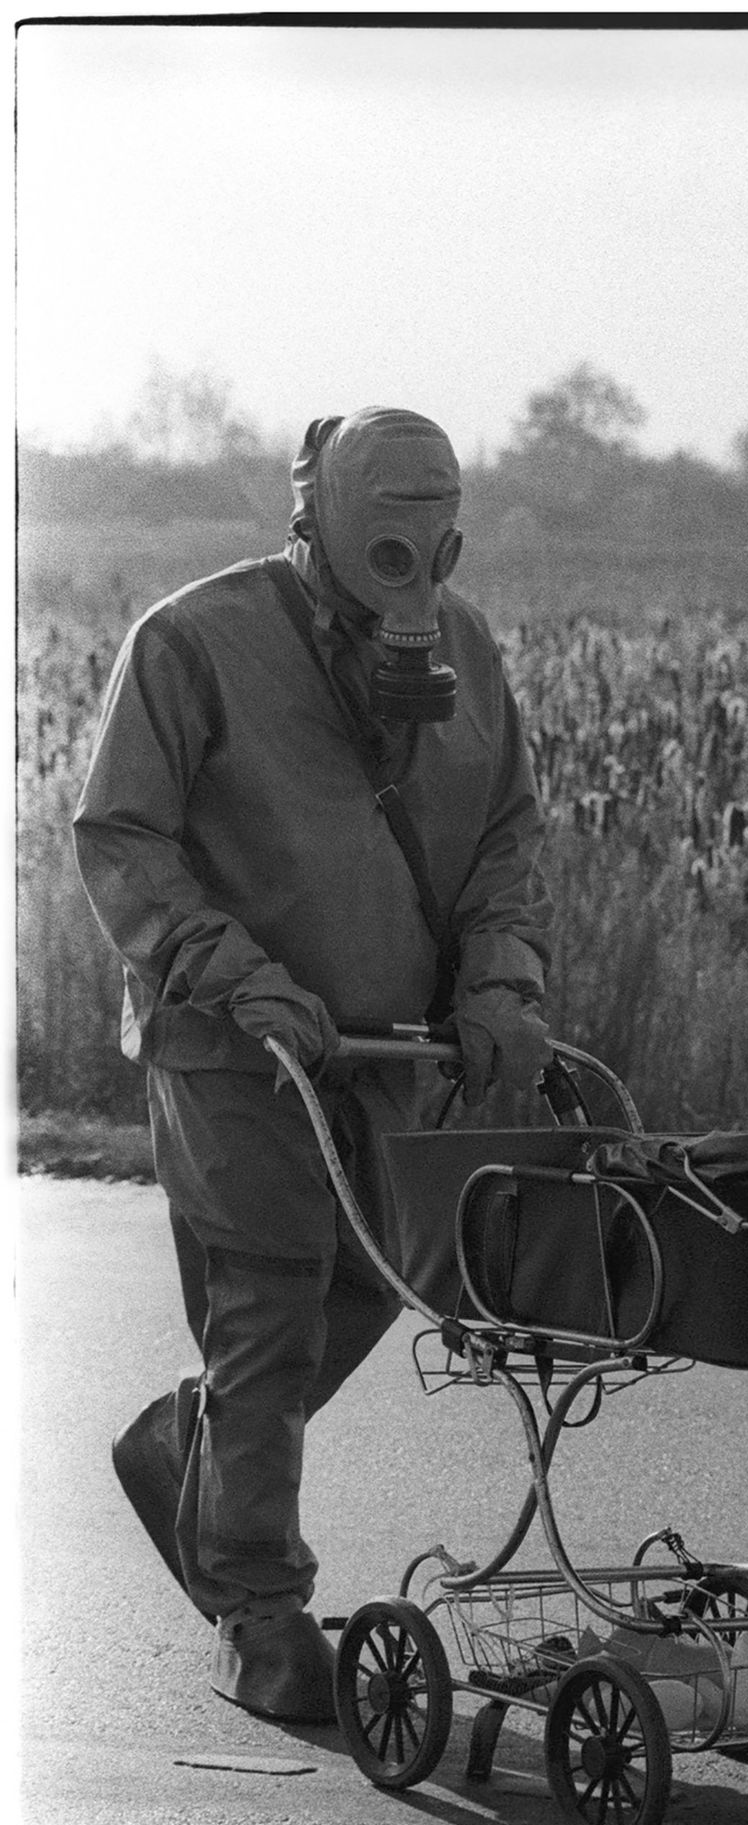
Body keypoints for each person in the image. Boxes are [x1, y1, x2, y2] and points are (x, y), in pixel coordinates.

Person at [73, 406, 554, 1723]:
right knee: (272, 1297)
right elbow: (121, 835)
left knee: (373, 1277)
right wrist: (231, 971)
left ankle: (199, 1449)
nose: (414, 577)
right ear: (317, 527)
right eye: (384, 543)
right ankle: (262, 1613)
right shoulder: (192, 643)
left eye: (431, 541)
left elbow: (503, 837)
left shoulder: (465, 652)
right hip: (241, 1044)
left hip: (387, 1038)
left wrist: (503, 980)